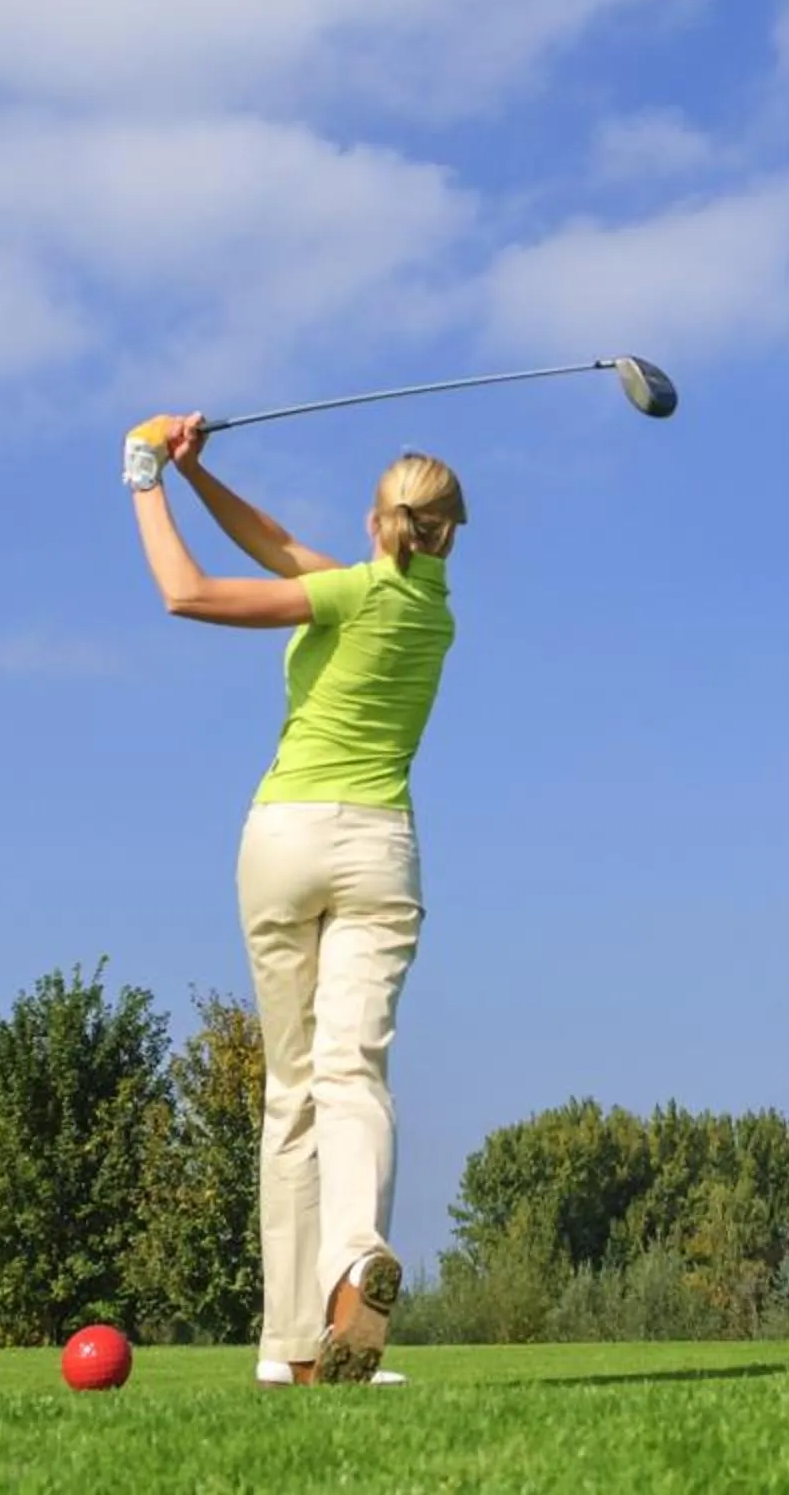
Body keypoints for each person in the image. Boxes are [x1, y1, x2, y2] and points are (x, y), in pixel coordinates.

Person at [124, 413, 466, 1388]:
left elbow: (186, 592)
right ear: (447, 532)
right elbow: (275, 545)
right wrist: (199, 473)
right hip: (380, 852)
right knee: (353, 1073)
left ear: (376, 519)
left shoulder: (349, 592)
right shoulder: (427, 609)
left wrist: (144, 475)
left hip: (284, 840)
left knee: (292, 1092)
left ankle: (291, 1347)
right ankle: (356, 1261)